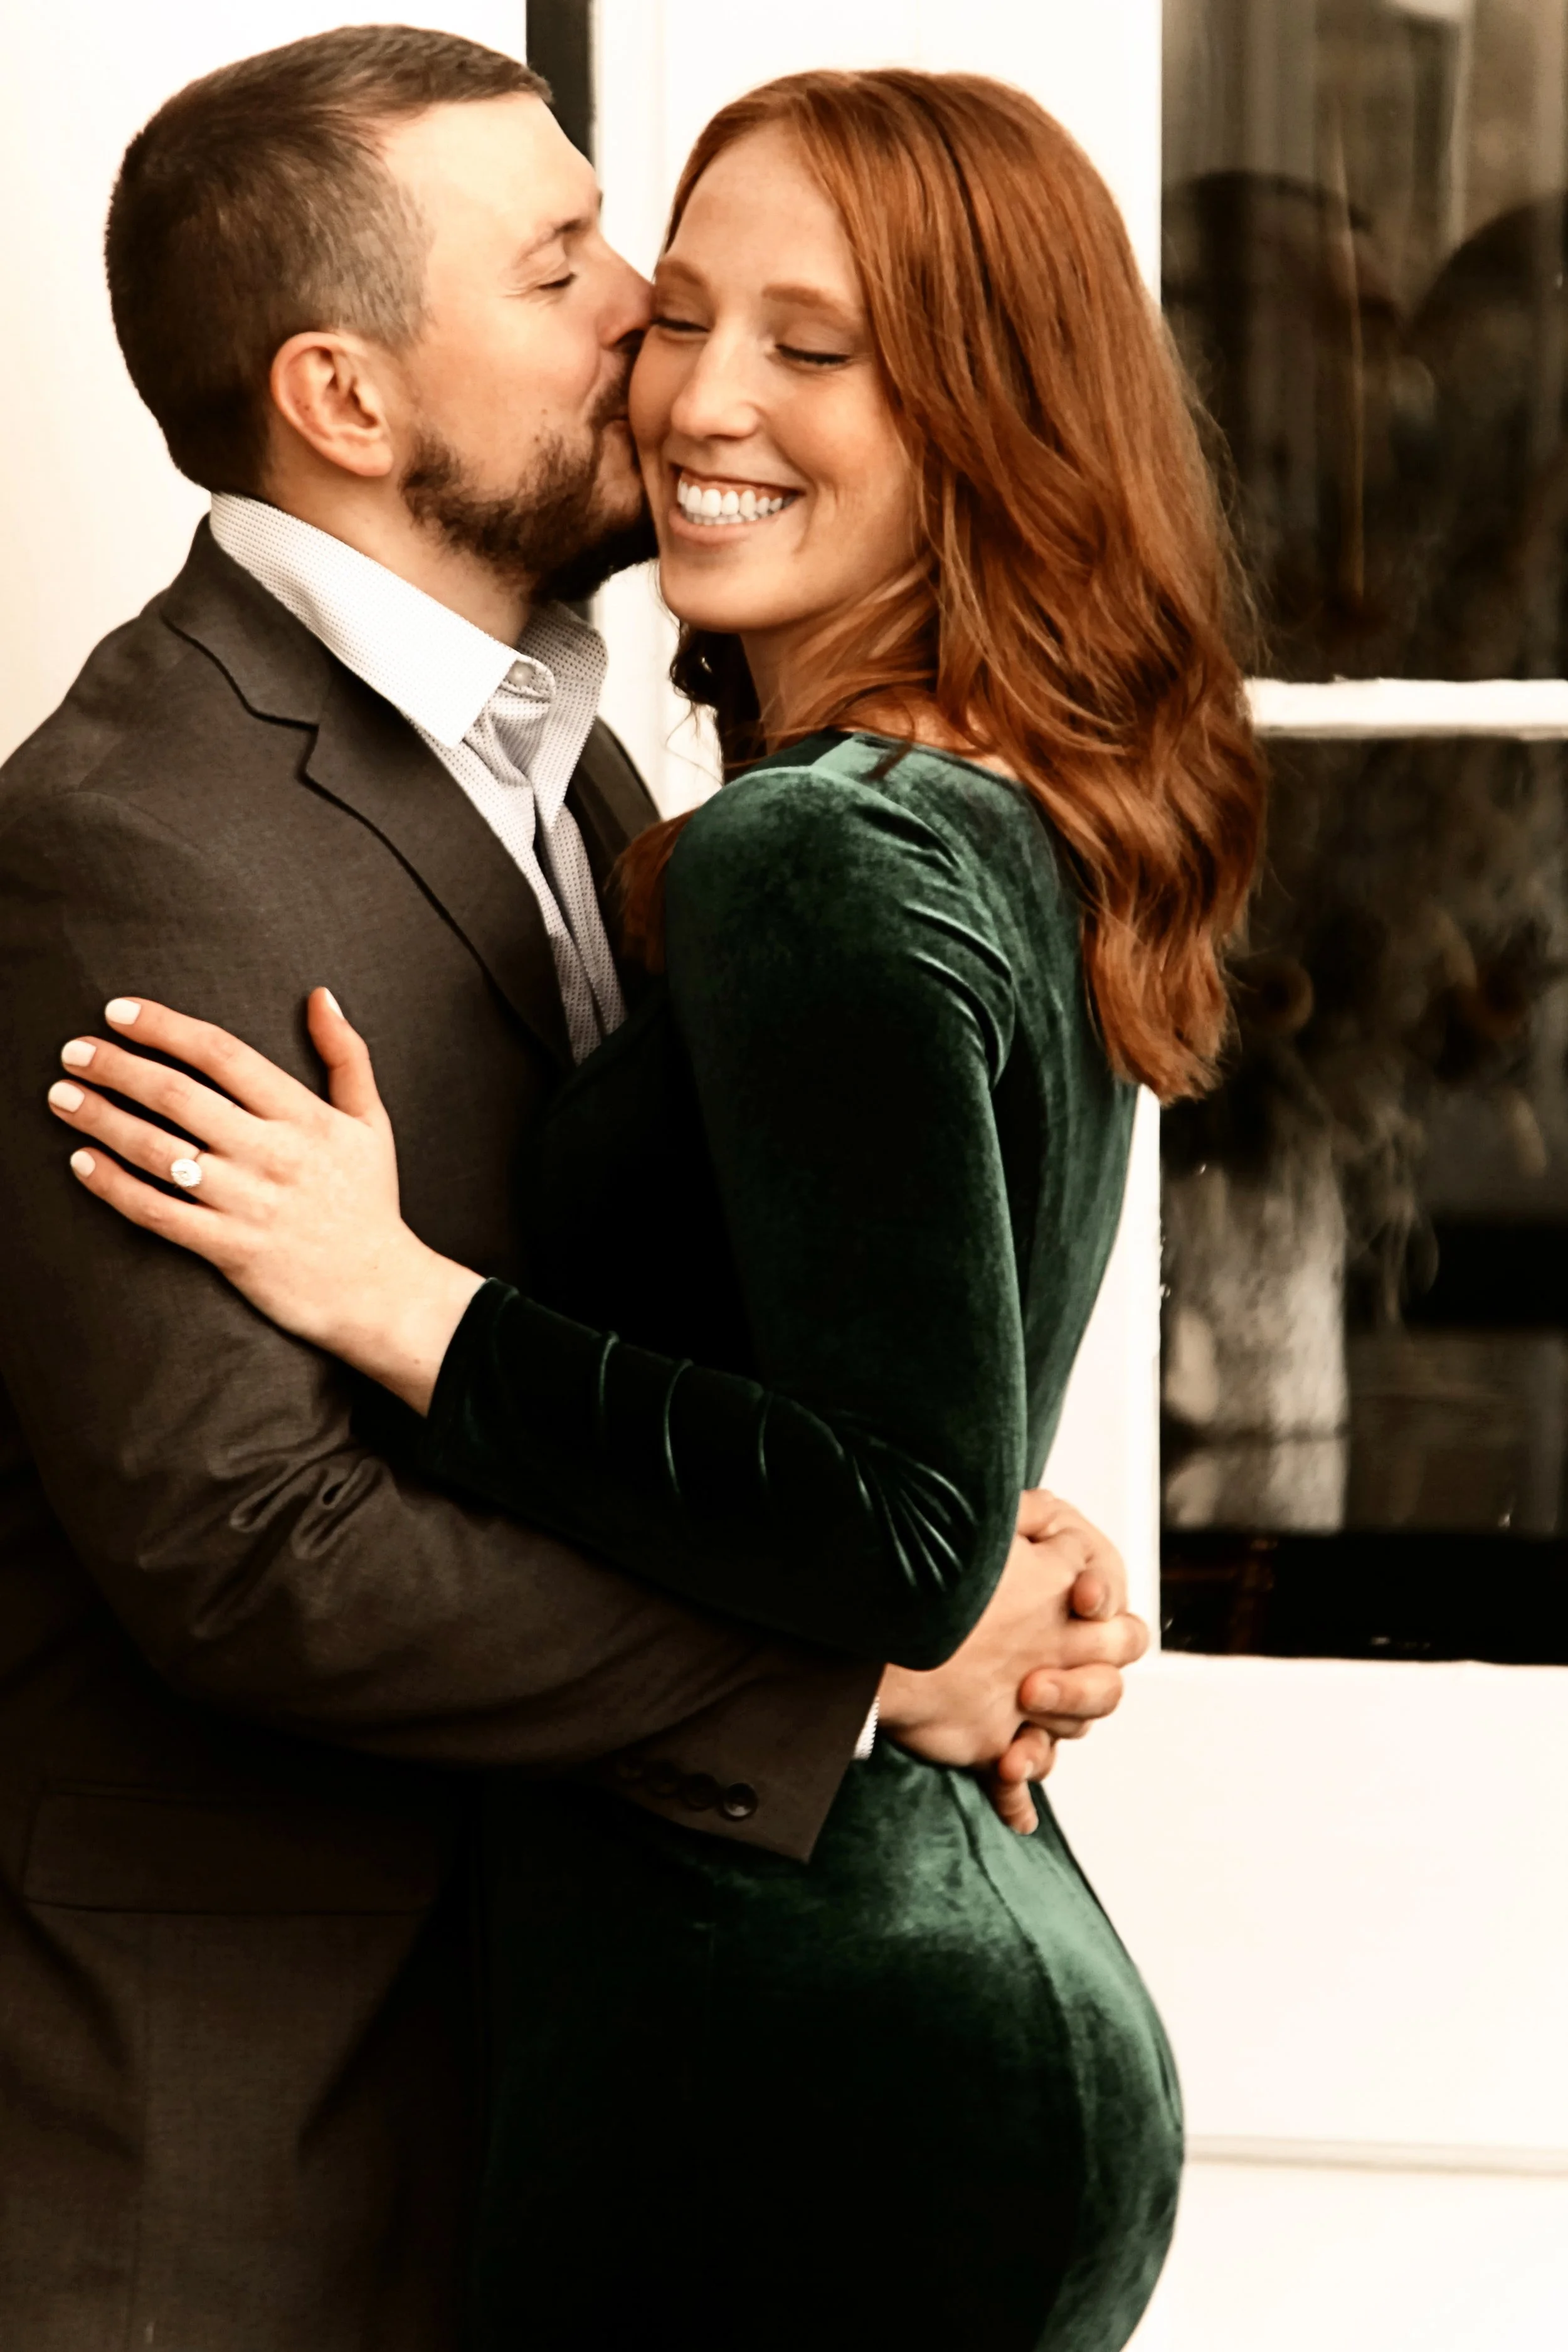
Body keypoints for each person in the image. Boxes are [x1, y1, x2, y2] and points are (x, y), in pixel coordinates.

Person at [48, 60, 1264, 2352]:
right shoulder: (147, 836)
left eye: (796, 337)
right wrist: (873, 1654)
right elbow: (252, 1554)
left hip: (798, 2021)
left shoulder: (706, 802)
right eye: (589, 276)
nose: (653, 344)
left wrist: (938, 1530)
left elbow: (837, 1428)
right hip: (420, 2085)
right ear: (341, 395)